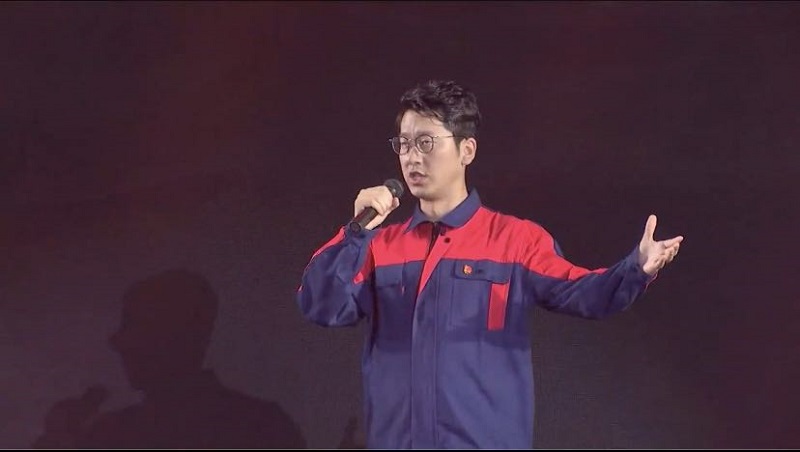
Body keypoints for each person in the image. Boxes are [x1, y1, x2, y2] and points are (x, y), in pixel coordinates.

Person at [296, 80, 682, 449]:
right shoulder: (380, 247)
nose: (412, 156)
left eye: (426, 142)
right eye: (404, 144)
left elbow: (582, 292)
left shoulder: (514, 240)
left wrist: (636, 267)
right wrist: (354, 231)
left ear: (466, 150)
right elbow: (320, 305)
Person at [35, 269, 306, 449]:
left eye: (134, 325)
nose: (117, 341)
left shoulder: (112, 435)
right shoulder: (261, 425)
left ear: (176, 335)